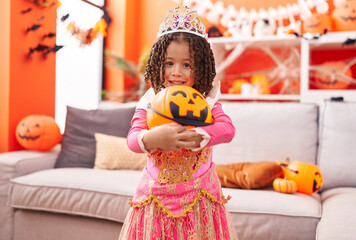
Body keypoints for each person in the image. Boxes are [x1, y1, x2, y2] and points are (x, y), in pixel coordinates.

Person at [119, 5, 238, 240]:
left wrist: (202, 135)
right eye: (169, 63)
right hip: (156, 194)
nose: (177, 72)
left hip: (200, 195)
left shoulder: (207, 101)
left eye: (187, 64)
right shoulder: (151, 100)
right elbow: (133, 139)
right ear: (158, 64)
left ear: (201, 67)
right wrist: (152, 138)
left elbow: (228, 130)